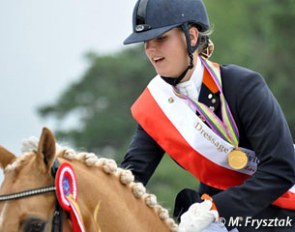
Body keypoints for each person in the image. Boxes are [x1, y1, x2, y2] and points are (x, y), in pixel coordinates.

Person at [120, 0, 295, 231]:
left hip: (278, 214)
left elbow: (281, 169)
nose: (151, 50)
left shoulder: (244, 86)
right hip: (214, 219)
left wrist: (217, 208)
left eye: (161, 38)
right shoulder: (157, 104)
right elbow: (131, 178)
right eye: (146, 42)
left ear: (191, 37)